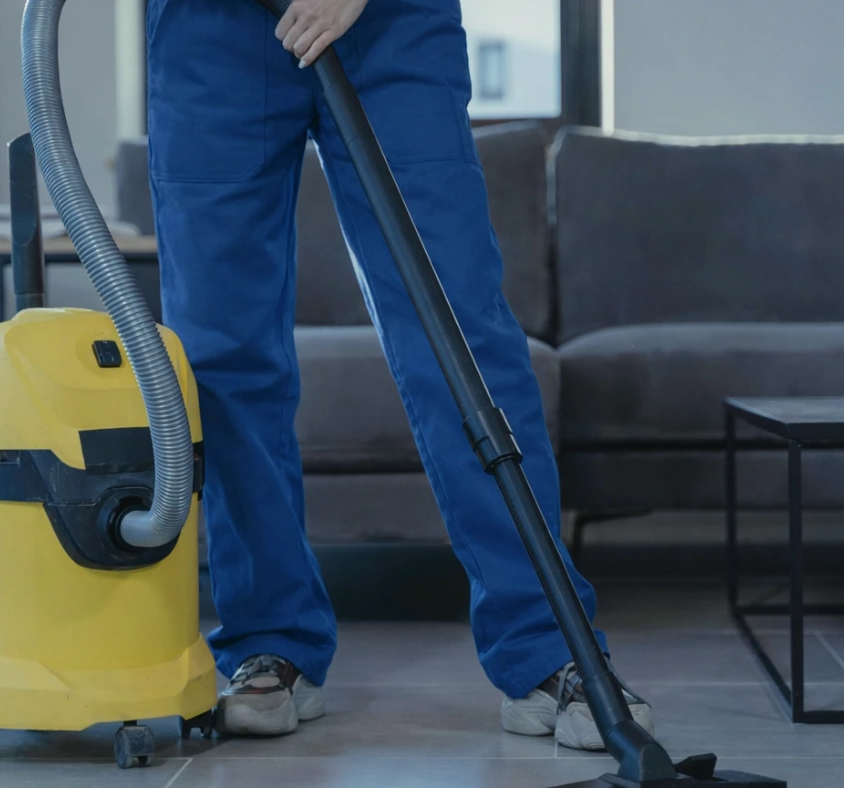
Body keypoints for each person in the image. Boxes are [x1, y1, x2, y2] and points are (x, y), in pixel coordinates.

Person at [145, 0, 653, 751]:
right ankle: (269, 635)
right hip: (210, 25)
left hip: (389, 19)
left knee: (454, 324)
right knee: (221, 352)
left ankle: (549, 646)